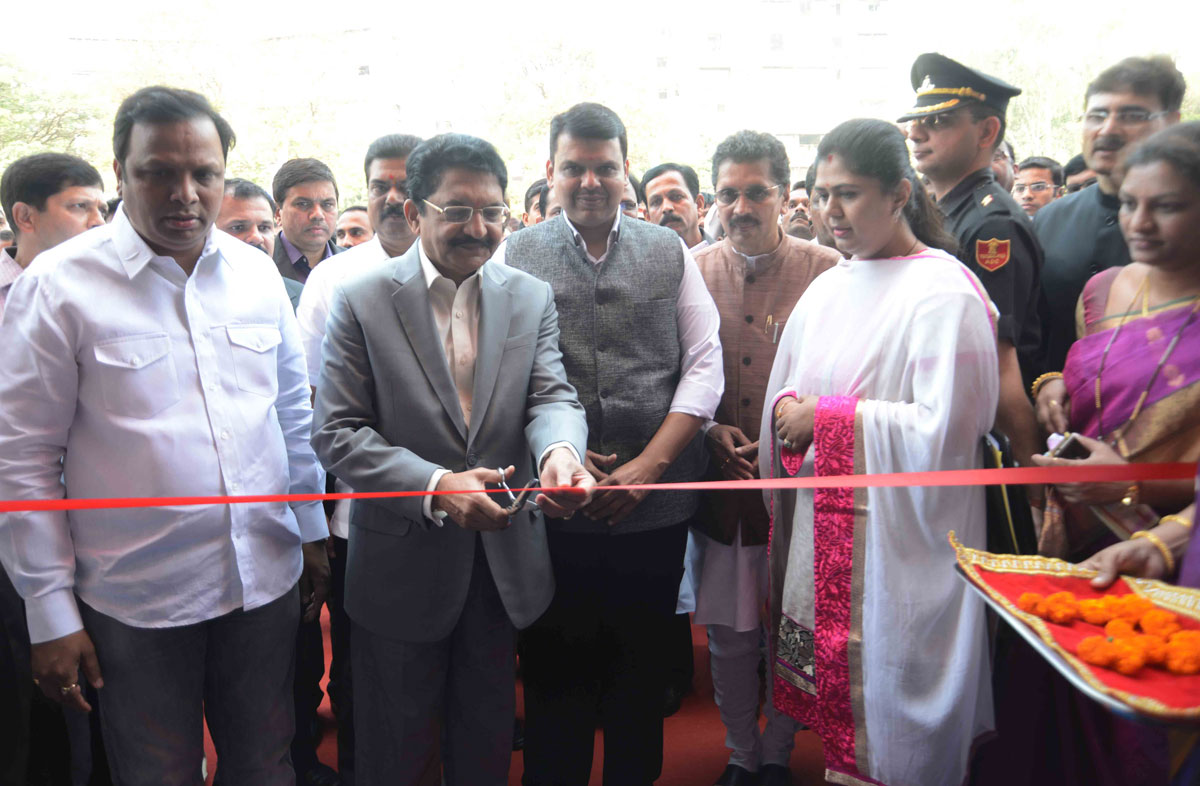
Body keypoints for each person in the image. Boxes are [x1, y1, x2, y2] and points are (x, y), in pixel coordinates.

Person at [0, 85, 329, 785]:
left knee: (266, 762)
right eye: (157, 172)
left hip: (263, 578)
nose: (184, 193)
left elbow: (291, 419)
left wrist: (310, 530)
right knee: (155, 772)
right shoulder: (59, 286)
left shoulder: (254, 276)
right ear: (120, 173)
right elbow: (23, 459)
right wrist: (48, 611)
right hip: (134, 600)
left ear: (222, 175)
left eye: (203, 174)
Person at [310, 132, 593, 786]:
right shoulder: (361, 297)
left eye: (493, 211)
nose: (480, 227)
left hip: (501, 565)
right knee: (394, 750)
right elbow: (338, 432)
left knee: (486, 741)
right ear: (414, 212)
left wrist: (558, 453)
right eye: (458, 210)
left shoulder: (528, 295)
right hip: (401, 560)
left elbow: (552, 394)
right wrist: (436, 486)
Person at [763, 118, 997, 786]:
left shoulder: (943, 290)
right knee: (847, 738)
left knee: (900, 729)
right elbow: (790, 392)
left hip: (904, 550)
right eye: (822, 191)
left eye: (850, 194)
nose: (829, 210)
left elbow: (950, 429)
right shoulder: (832, 285)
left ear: (899, 194)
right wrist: (787, 414)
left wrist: (826, 419)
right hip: (830, 527)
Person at [501, 102, 722, 786]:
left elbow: (705, 360)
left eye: (606, 168)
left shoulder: (668, 251)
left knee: (639, 672)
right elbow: (502, 367)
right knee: (554, 668)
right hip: (557, 499)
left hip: (652, 502)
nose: (591, 181)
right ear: (550, 172)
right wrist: (554, 453)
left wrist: (651, 465)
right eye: (575, 168)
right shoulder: (518, 252)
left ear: (626, 172)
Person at [690, 130, 840, 786]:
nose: (741, 205)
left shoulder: (827, 271)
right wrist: (709, 428)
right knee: (730, 631)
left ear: (786, 196)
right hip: (721, 483)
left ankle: (778, 751)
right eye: (729, 193)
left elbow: (844, 374)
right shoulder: (691, 270)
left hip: (801, 485)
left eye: (756, 192)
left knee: (793, 626)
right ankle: (739, 755)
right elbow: (679, 371)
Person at [295, 130, 422, 786]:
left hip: (462, 521)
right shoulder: (333, 280)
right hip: (361, 523)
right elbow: (312, 408)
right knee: (361, 683)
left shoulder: (487, 271)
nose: (395, 198)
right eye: (381, 186)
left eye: (408, 184)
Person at [0, 151, 107, 786]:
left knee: (101, 690)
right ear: (24, 217)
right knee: (30, 701)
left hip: (99, 532)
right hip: (17, 530)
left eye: (102, 206)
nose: (99, 222)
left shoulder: (106, 294)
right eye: (79, 207)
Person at [901, 52, 1043, 476]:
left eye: (939, 122)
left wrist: (1031, 480)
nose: (916, 133)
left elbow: (1000, 365)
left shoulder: (990, 225)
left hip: (986, 446)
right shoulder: (944, 211)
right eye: (915, 121)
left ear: (987, 132)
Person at [1032, 56, 1185, 385]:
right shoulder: (1048, 219)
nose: (1108, 129)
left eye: (1131, 115)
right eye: (1097, 115)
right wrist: (1046, 381)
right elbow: (1034, 332)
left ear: (1172, 122)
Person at [272, 157, 345, 283]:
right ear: (278, 213)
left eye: (327, 204)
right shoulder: (260, 266)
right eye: (303, 204)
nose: (317, 215)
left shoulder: (357, 267)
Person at [643, 162, 710, 249]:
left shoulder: (728, 258)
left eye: (676, 197)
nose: (666, 207)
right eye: (656, 202)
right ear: (648, 217)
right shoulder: (640, 261)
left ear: (698, 204)